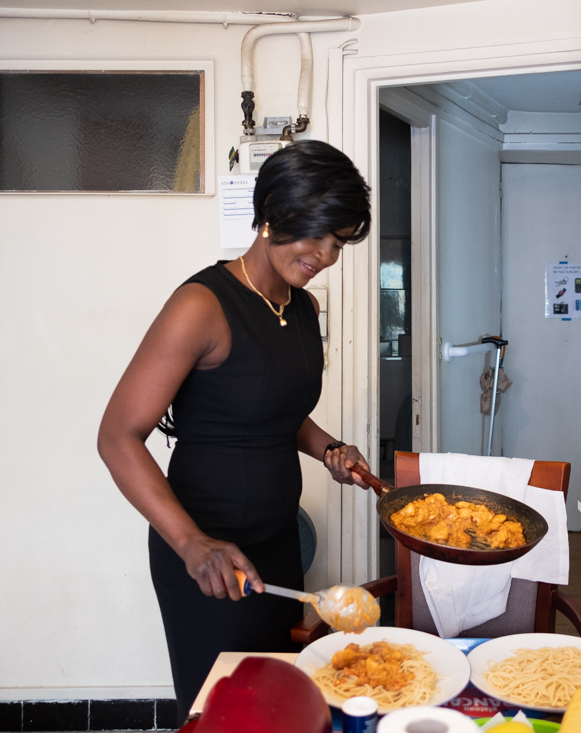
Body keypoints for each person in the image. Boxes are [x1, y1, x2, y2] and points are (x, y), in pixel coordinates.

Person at [97, 140, 372, 723]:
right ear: (271, 214)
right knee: (221, 712)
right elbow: (117, 435)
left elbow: (273, 408)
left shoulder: (302, 309)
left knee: (282, 706)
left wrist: (329, 449)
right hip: (208, 558)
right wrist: (192, 544)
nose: (325, 254)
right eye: (314, 235)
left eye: (339, 242)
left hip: (279, 544)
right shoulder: (201, 306)